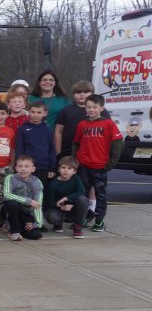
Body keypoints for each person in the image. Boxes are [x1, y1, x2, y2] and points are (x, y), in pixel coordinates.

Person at [72, 93, 124, 232]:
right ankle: (81, 219)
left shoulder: (108, 124)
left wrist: (111, 163)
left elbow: (118, 143)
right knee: (82, 194)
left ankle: (99, 221)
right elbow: (76, 143)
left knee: (100, 195)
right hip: (83, 166)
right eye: (88, 107)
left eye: (94, 107)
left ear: (101, 108)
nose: (91, 110)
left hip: (100, 166)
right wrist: (75, 161)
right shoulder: (82, 124)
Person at [44, 156, 89, 238]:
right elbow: (49, 202)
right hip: (60, 209)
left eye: (69, 168)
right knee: (52, 217)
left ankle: (78, 226)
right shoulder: (53, 184)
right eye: (63, 167)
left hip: (73, 207)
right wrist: (61, 207)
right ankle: (58, 224)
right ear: (58, 169)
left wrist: (66, 198)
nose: (66, 170)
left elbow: (82, 191)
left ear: (74, 171)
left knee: (83, 199)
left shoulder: (75, 178)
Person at [2, 155, 44, 241]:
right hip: (10, 209)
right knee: (12, 204)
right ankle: (15, 232)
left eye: (27, 166)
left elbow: (37, 204)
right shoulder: (10, 178)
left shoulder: (37, 182)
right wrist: (28, 201)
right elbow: (7, 195)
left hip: (26, 212)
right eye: (20, 166)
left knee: (36, 235)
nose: (23, 169)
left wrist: (38, 223)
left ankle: (17, 227)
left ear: (33, 169)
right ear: (16, 168)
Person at [55, 80, 100, 159]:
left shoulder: (100, 111)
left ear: (92, 94)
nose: (82, 95)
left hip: (92, 154)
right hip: (67, 153)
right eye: (78, 92)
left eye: (86, 92)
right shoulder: (66, 110)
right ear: (73, 95)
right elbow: (58, 132)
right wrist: (58, 151)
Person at [16, 101, 57, 183]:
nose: (35, 114)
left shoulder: (48, 129)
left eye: (39, 112)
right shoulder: (22, 129)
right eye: (33, 112)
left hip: (44, 167)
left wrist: (52, 168)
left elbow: (51, 149)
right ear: (29, 112)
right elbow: (19, 149)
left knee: (42, 191)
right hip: (27, 167)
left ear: (45, 113)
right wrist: (20, 166)